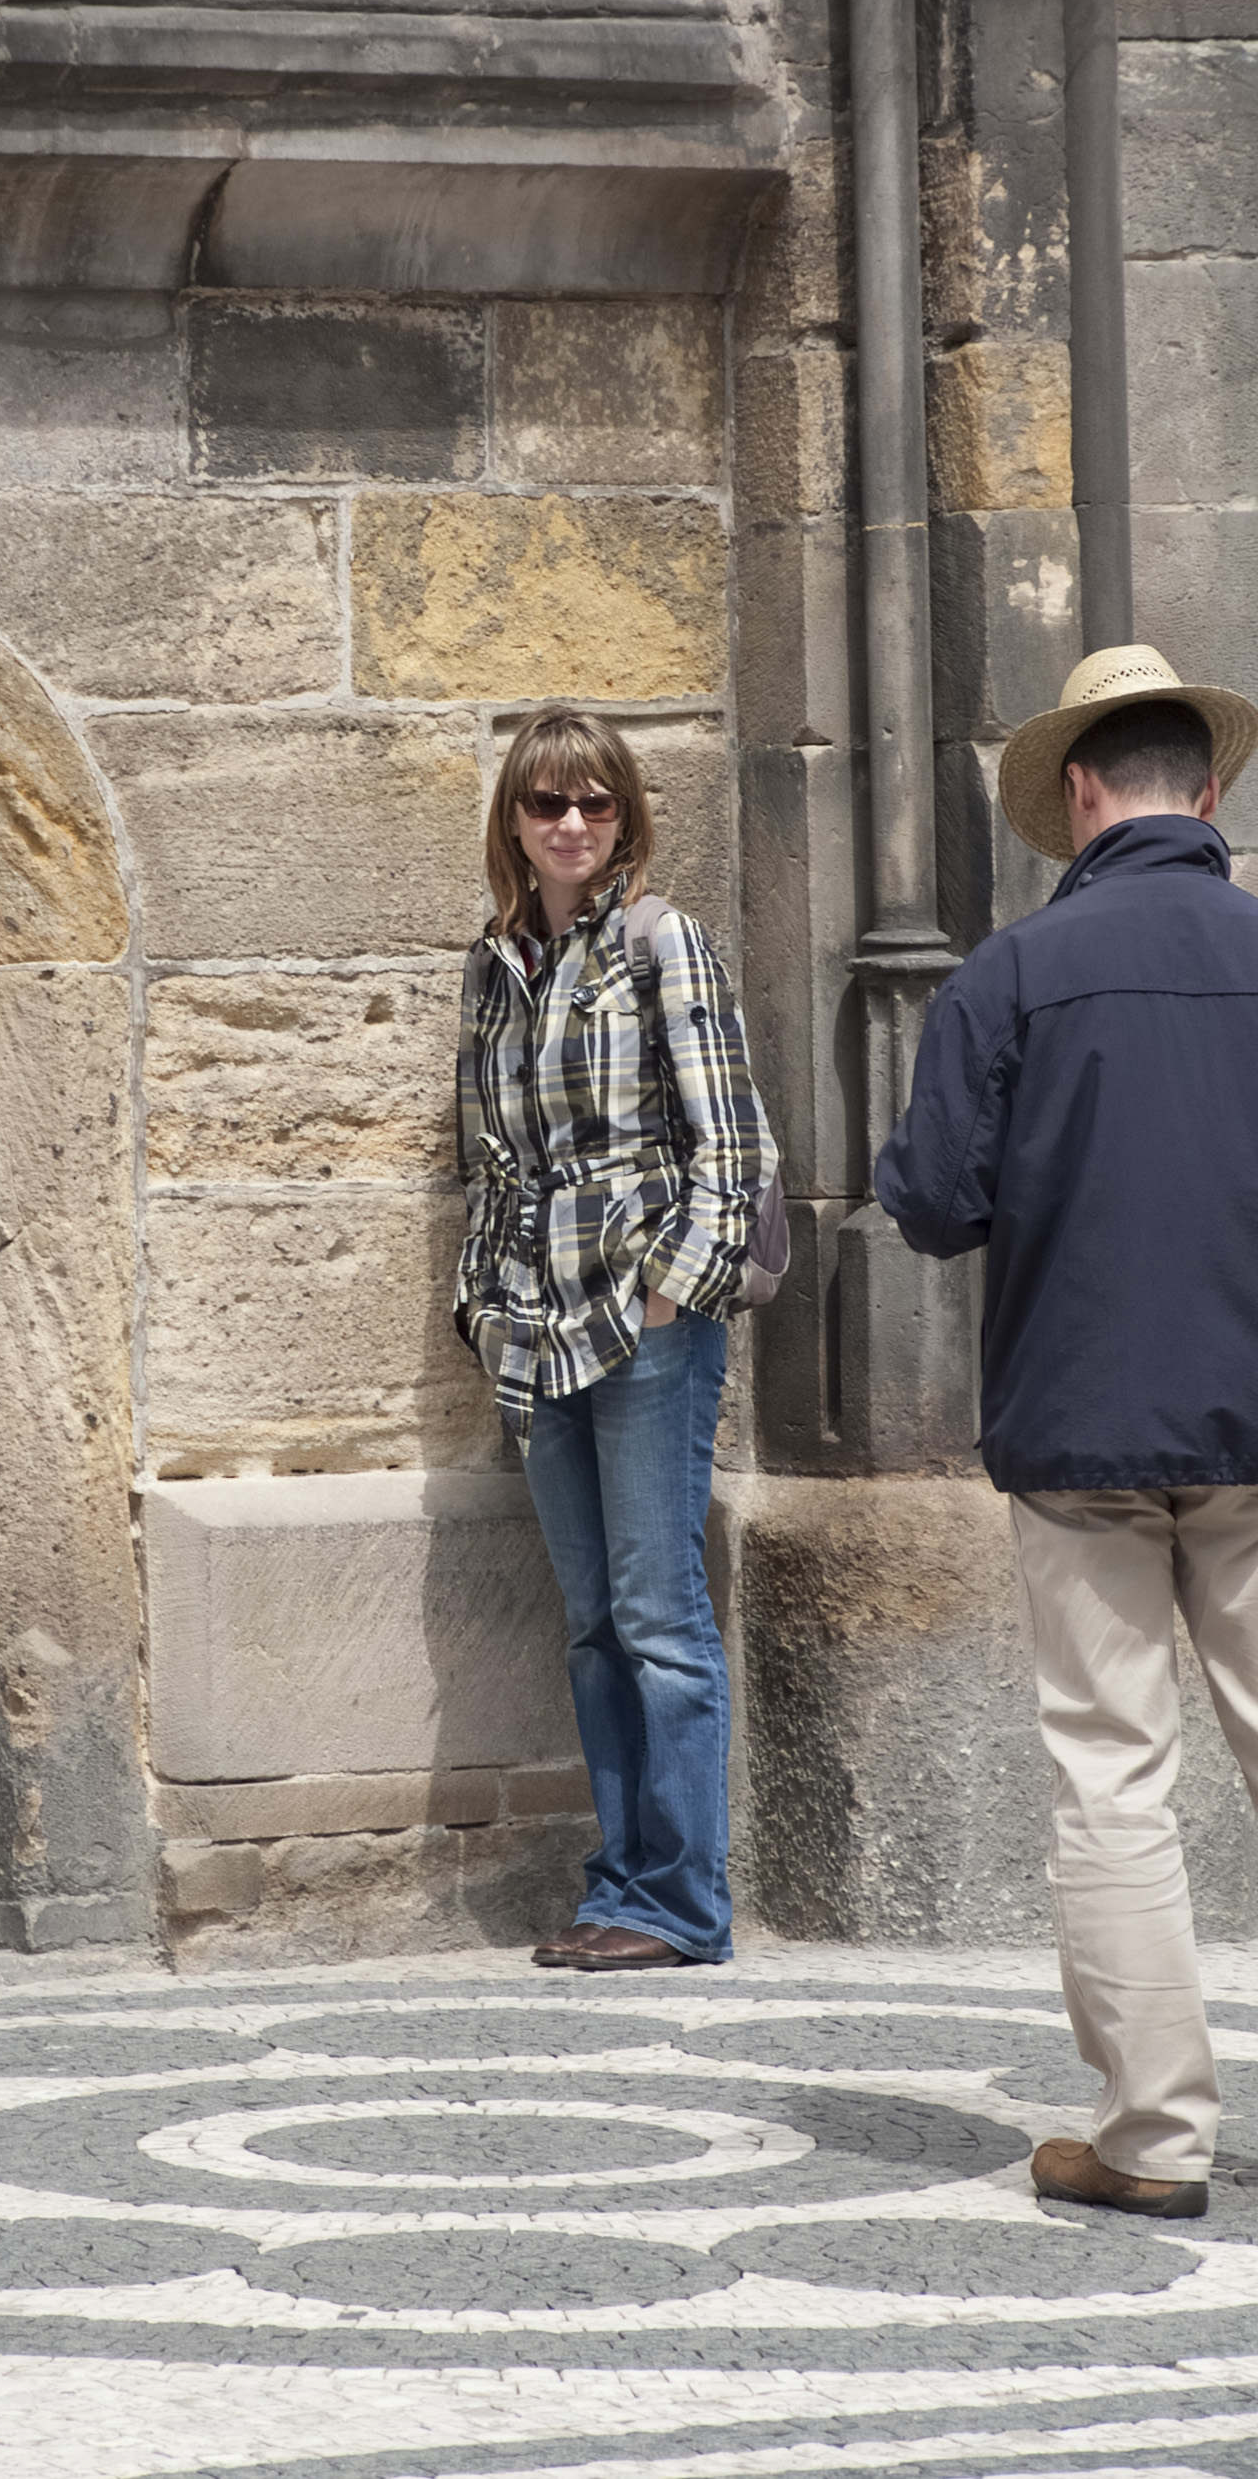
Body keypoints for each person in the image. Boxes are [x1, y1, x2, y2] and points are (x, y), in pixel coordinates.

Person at [876, 643, 1258, 2218]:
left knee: (1113, 1775)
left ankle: (1154, 2138)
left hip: (1079, 1428)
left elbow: (928, 1199)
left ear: (1077, 792)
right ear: (1210, 787)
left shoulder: (1008, 977)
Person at [455, 705, 779, 1970]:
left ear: (625, 816)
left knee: (659, 1618)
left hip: (643, 1330)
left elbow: (732, 1144)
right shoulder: (493, 965)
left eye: (596, 802)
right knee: (592, 1622)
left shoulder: (661, 941)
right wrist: (479, 1304)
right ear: (515, 824)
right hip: (533, 1333)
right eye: (548, 805)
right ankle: (618, 1882)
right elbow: (483, 1160)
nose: (573, 824)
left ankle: (681, 1902)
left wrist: (668, 1293)